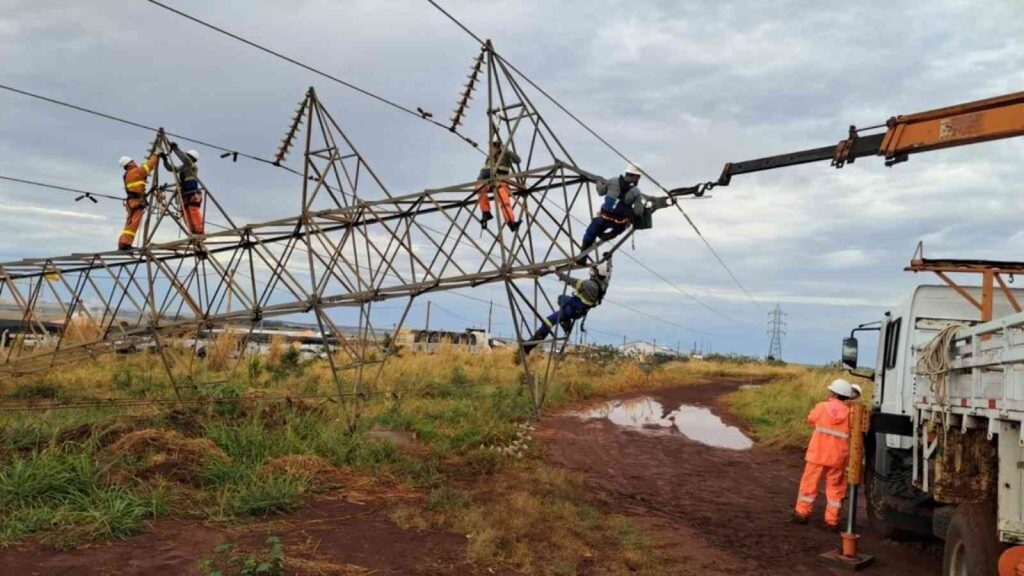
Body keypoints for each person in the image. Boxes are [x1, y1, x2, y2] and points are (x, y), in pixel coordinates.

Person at [793, 378, 853, 529]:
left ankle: (802, 513)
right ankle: (831, 520)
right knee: (835, 488)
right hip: (838, 457)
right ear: (847, 396)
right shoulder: (851, 413)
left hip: (817, 454)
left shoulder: (821, 407)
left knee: (809, 485)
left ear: (832, 392)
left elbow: (810, 419)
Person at [521, 258, 611, 356]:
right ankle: (565, 322)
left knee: (548, 322)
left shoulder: (587, 284)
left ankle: (527, 348)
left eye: (594, 271)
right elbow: (608, 272)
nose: (592, 272)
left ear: (597, 273)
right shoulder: (604, 284)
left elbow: (568, 280)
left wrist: (555, 271)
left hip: (571, 310)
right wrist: (609, 259)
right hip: (579, 311)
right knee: (562, 298)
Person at [579, 163, 647, 257]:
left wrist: (598, 181)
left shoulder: (612, 181)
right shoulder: (636, 192)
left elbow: (601, 192)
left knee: (591, 232)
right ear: (637, 177)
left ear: (627, 172)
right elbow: (638, 212)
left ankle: (582, 257)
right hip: (619, 223)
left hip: (603, 219)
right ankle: (609, 235)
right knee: (622, 226)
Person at [476, 137, 521, 232]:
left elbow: (517, 160)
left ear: (498, 145)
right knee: (479, 187)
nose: (491, 148)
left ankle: (510, 222)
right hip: (489, 182)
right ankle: (486, 213)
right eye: (491, 146)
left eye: (493, 145)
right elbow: (484, 171)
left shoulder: (505, 154)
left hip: (500, 182)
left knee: (504, 198)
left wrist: (506, 151)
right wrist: (482, 180)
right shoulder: (489, 158)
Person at [117, 154, 159, 250]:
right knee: (134, 223)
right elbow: (148, 166)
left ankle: (122, 243)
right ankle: (125, 243)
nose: (134, 162)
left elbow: (143, 170)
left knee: (130, 223)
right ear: (128, 164)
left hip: (132, 202)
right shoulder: (134, 172)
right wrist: (155, 155)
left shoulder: (130, 173)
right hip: (136, 202)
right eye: (132, 161)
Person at [163, 143, 204, 235]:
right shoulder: (183, 167)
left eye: (188, 156)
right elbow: (171, 168)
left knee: (193, 211)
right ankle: (192, 231)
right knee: (184, 212)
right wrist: (165, 160)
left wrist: (176, 149)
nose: (185, 158)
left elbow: (185, 158)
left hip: (192, 193)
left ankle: (199, 231)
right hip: (185, 194)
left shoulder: (192, 166)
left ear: (192, 158)